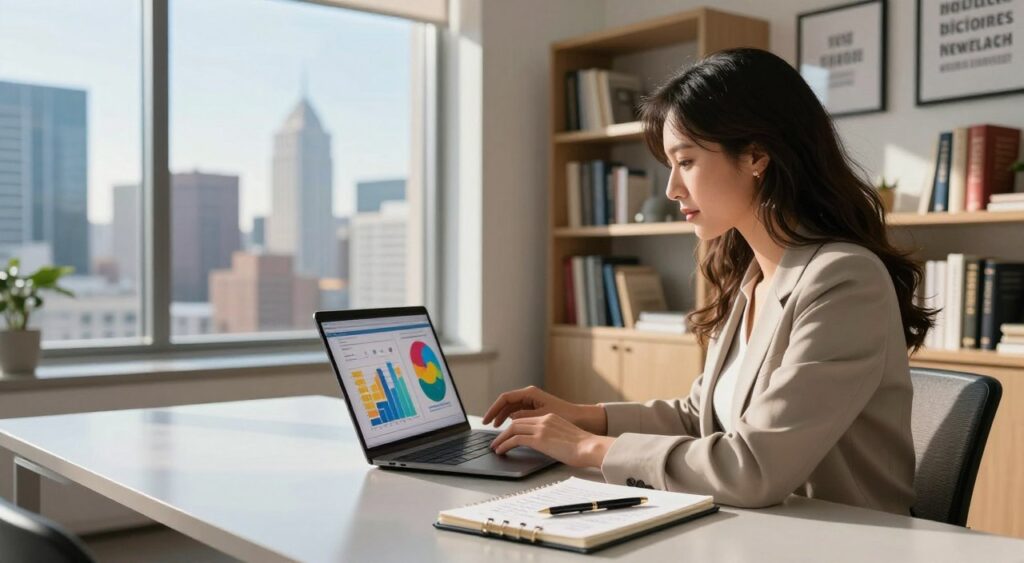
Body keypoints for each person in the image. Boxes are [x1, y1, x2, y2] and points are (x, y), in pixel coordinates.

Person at [483, 48, 934, 515]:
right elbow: (701, 417)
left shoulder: (844, 279)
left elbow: (753, 467)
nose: (671, 189)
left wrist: (587, 447)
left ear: (757, 156)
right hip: (757, 531)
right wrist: (586, 416)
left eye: (687, 162)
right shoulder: (751, 277)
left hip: (844, 541)